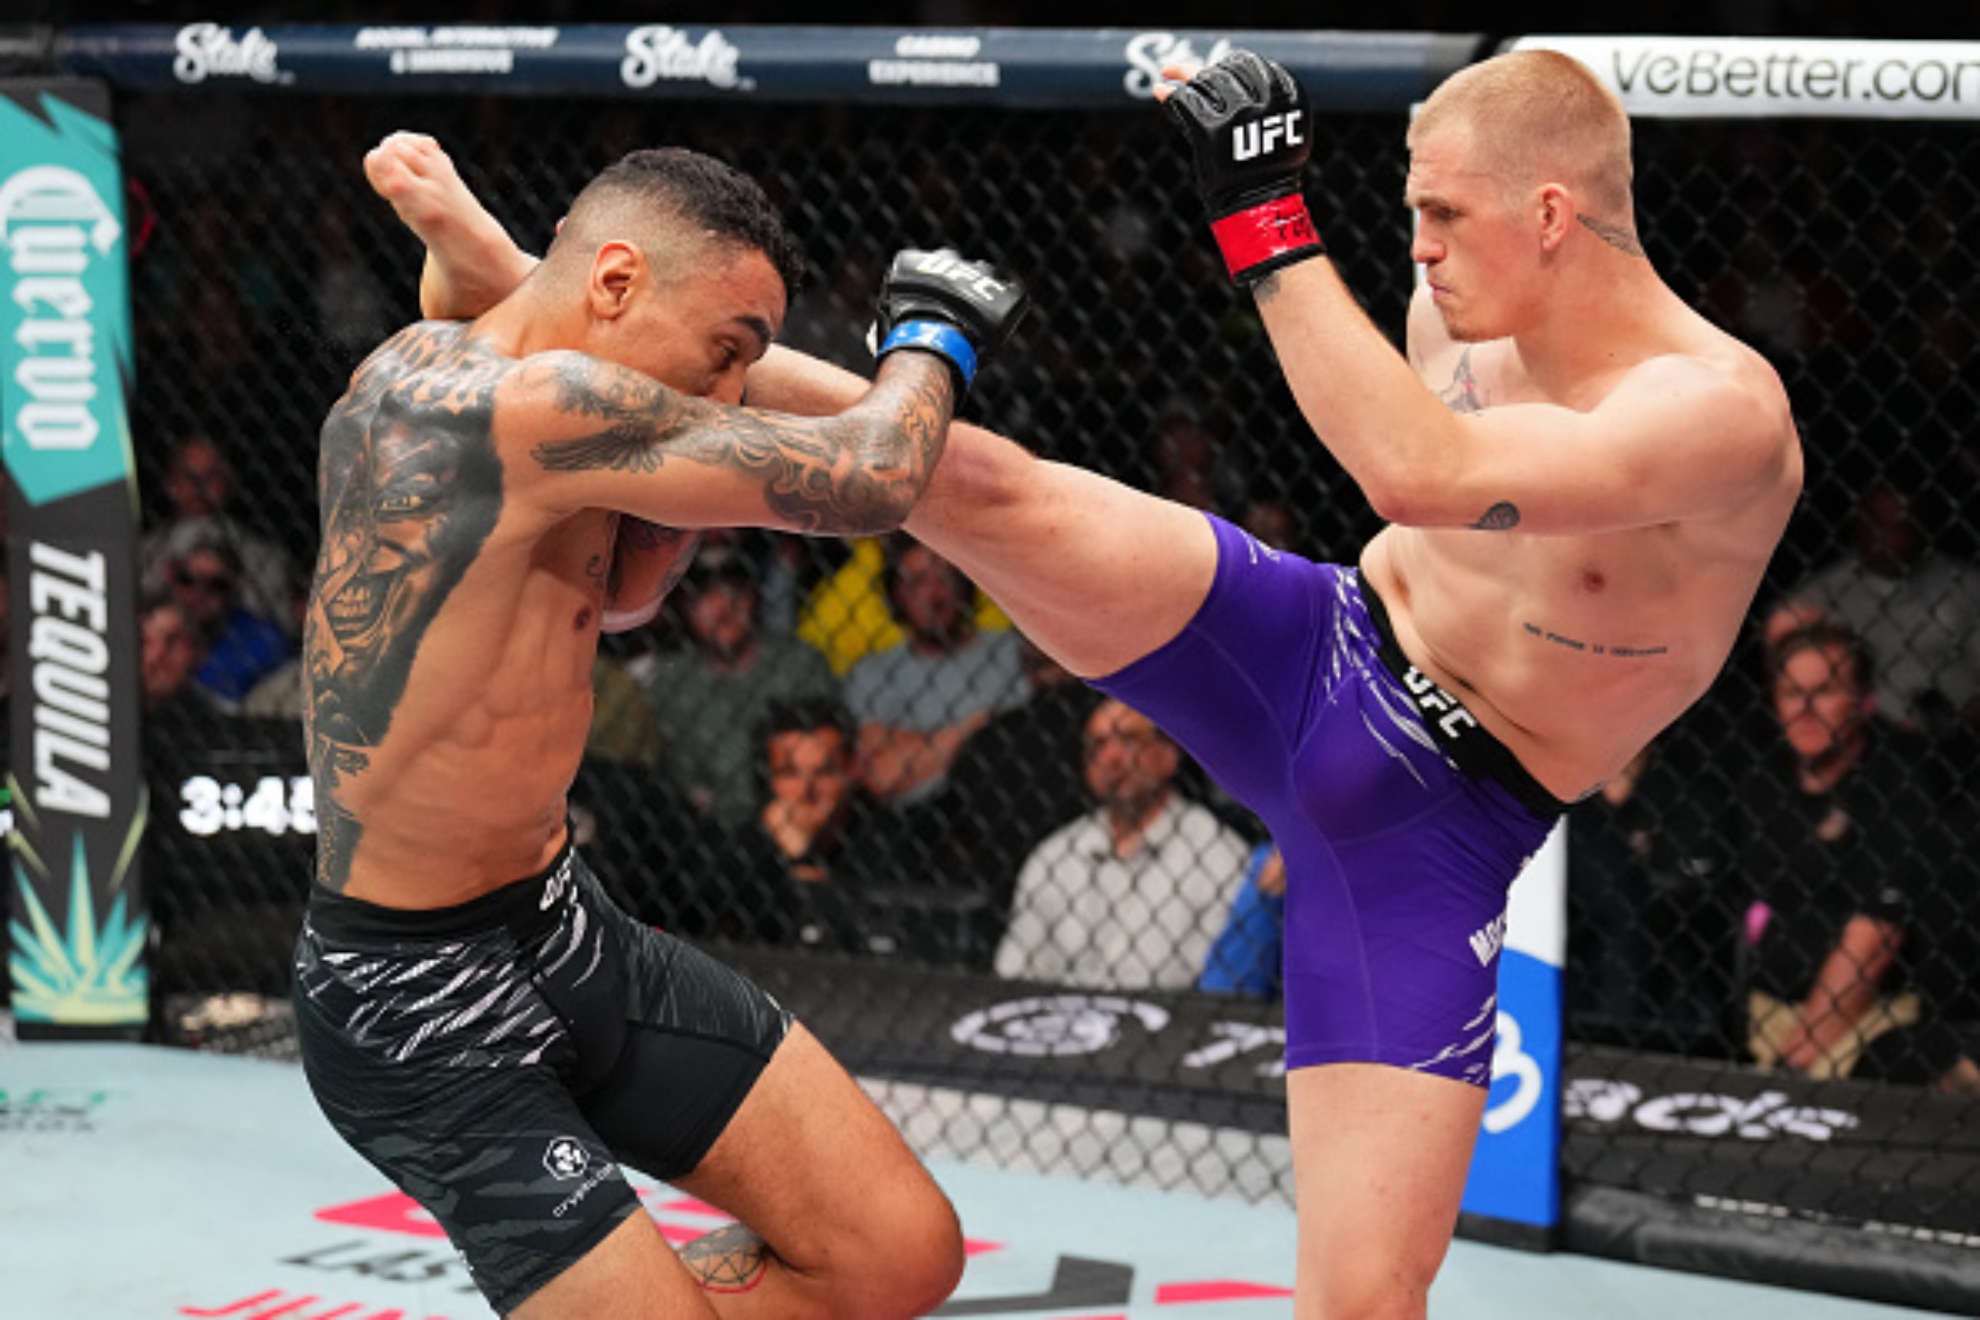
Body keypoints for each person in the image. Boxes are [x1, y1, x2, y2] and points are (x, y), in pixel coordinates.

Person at [387, 45, 1804, 1315]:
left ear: (1552, 212)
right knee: (973, 484)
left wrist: (1266, 220)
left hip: (1437, 821)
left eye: (1442, 215)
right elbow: (1397, 482)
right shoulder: (1463, 320)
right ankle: (537, 298)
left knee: (1364, 1298)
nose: (1418, 247)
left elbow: (1420, 475)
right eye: (1412, 211)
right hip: (1316, 647)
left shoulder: (1715, 411)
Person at [306, 137, 1027, 1319]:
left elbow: (624, 592)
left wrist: (478, 258)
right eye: (728, 350)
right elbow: (869, 475)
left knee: (899, 1252)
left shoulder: (491, 377)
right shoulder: (532, 407)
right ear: (616, 282)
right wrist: (932, 334)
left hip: (562, 928)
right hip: (413, 998)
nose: (731, 390)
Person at [1738, 622, 1980, 1092]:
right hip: (1764, 1006)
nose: (1805, 710)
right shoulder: (1760, 773)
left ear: (1864, 700)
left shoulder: (1900, 781)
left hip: (1864, 1017)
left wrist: (1790, 1066)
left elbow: (1875, 936)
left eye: (1825, 691)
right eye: (1792, 692)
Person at [995, 697, 1251, 989]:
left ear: (1169, 753)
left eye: (1128, 740)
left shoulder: (1220, 855)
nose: (1111, 758)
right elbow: (1014, 975)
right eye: (1097, 746)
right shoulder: (1053, 856)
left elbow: (1216, 989)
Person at [638, 547, 839, 824]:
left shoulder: (801, 663)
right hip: (716, 831)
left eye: (733, 592)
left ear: (753, 597)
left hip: (805, 814)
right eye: (704, 597)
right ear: (684, 611)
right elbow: (684, 783)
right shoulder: (673, 685)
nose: (723, 606)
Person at [842, 534, 1029, 808]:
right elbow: (883, 774)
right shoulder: (874, 673)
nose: (934, 595)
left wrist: (918, 745)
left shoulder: (1009, 650)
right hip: (920, 821)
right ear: (897, 594)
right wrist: (981, 723)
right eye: (917, 582)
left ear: (964, 585)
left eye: (945, 578)